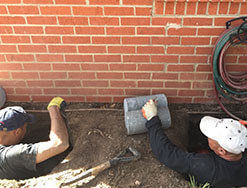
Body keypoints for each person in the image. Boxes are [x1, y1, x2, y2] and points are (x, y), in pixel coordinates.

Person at [142, 99, 247, 188]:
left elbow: (167, 154)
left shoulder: (206, 166)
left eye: (211, 137)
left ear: (221, 151)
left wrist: (152, 119)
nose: (207, 136)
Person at [0, 97, 70, 180]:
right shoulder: (13, 155)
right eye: (25, 126)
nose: (26, 129)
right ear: (17, 132)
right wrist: (53, 109)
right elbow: (60, 144)